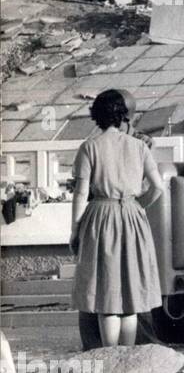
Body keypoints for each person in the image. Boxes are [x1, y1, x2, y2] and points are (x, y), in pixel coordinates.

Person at [69, 89, 165, 346]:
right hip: (132, 217)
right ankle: (127, 359)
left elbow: (80, 194)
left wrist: (75, 230)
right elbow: (158, 187)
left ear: (97, 116)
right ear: (123, 115)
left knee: (106, 297)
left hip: (100, 217)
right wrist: (136, 206)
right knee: (130, 296)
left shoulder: (89, 147)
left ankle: (108, 359)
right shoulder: (139, 147)